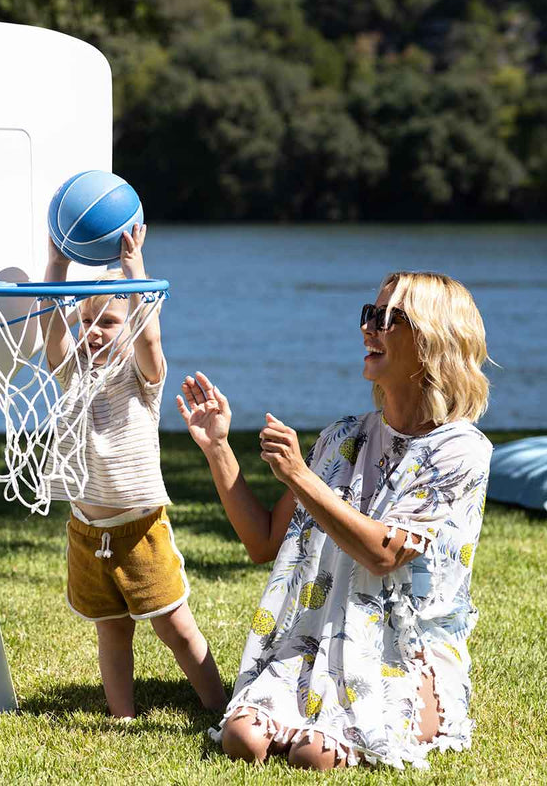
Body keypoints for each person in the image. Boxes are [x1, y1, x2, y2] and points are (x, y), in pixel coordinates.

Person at [177, 271, 492, 769]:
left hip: (401, 645)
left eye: (389, 319)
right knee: (241, 738)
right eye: (369, 314)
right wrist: (217, 448)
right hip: (316, 635)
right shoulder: (342, 436)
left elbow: (383, 554)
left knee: (315, 756)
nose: (369, 327)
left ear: (433, 340)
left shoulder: (461, 451)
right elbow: (263, 543)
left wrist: (301, 477)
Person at [43, 225, 227, 718]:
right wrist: (58, 265)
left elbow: (150, 335)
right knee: (112, 628)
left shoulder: (143, 378)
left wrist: (135, 271)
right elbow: (52, 334)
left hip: (139, 529)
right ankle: (121, 717)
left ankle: (218, 705)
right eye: (88, 321)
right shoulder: (75, 371)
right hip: (87, 532)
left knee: (174, 626)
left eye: (109, 321)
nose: (95, 331)